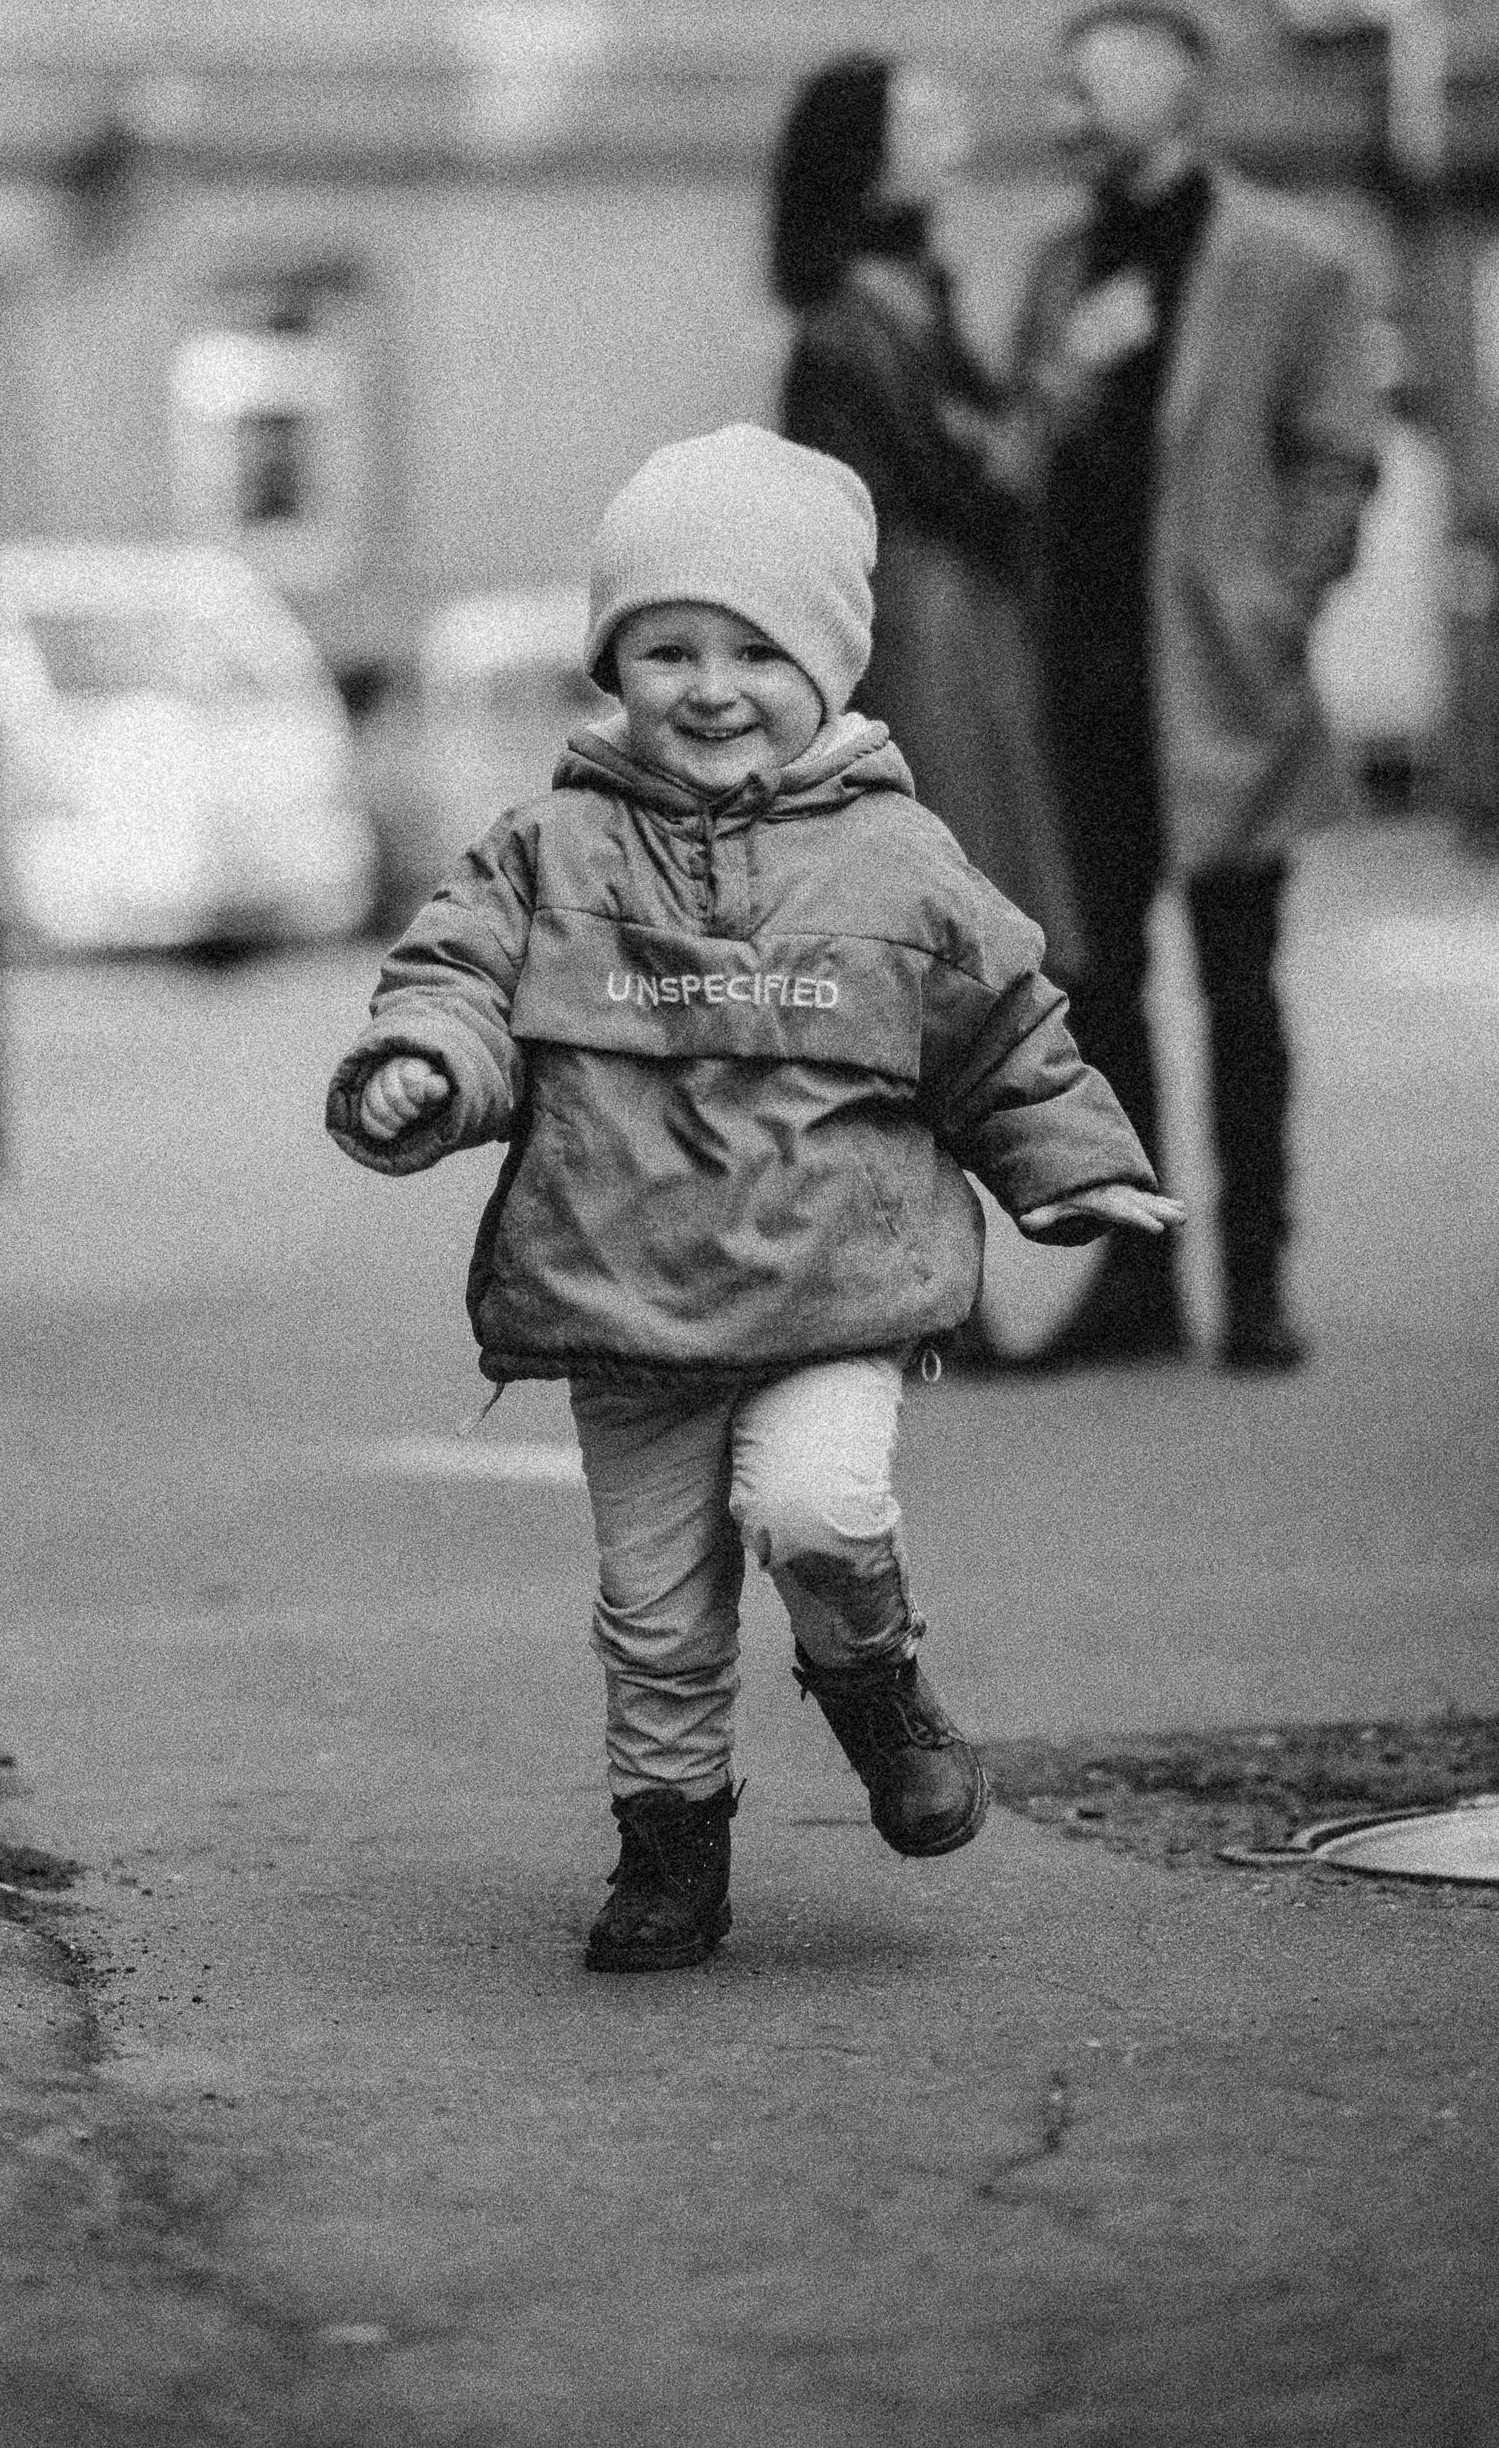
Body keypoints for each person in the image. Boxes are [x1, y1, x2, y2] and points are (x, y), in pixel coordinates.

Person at [324, 426, 1175, 1974]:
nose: (710, 686)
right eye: (666, 647)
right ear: (614, 664)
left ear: (832, 667)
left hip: (833, 1288)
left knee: (817, 1509)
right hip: (619, 1298)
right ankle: (671, 1855)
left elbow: (1004, 1033)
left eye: (755, 650)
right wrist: (425, 1069)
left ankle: (876, 1690)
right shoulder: (547, 853)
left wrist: (1081, 1169)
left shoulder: (899, 862)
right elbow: (455, 979)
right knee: (655, 1617)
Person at [1013, 1, 1378, 1377]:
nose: (1062, 118)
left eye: (1084, 91)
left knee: (1240, 997)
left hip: (1226, 694)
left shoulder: (1288, 262)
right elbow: (1021, 450)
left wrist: (1276, 608)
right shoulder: (1058, 269)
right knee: (1099, 1002)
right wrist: (1069, 374)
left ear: (1170, 102)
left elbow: (1338, 456)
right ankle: (1137, 1282)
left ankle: (1257, 1281)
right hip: (1087, 694)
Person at [772, 54, 1084, 969]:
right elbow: (971, 477)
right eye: (929, 126)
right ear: (869, 161)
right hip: (931, 637)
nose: (959, 146)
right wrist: (1069, 378)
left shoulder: (887, 304)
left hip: (943, 626)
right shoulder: (858, 322)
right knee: (964, 902)